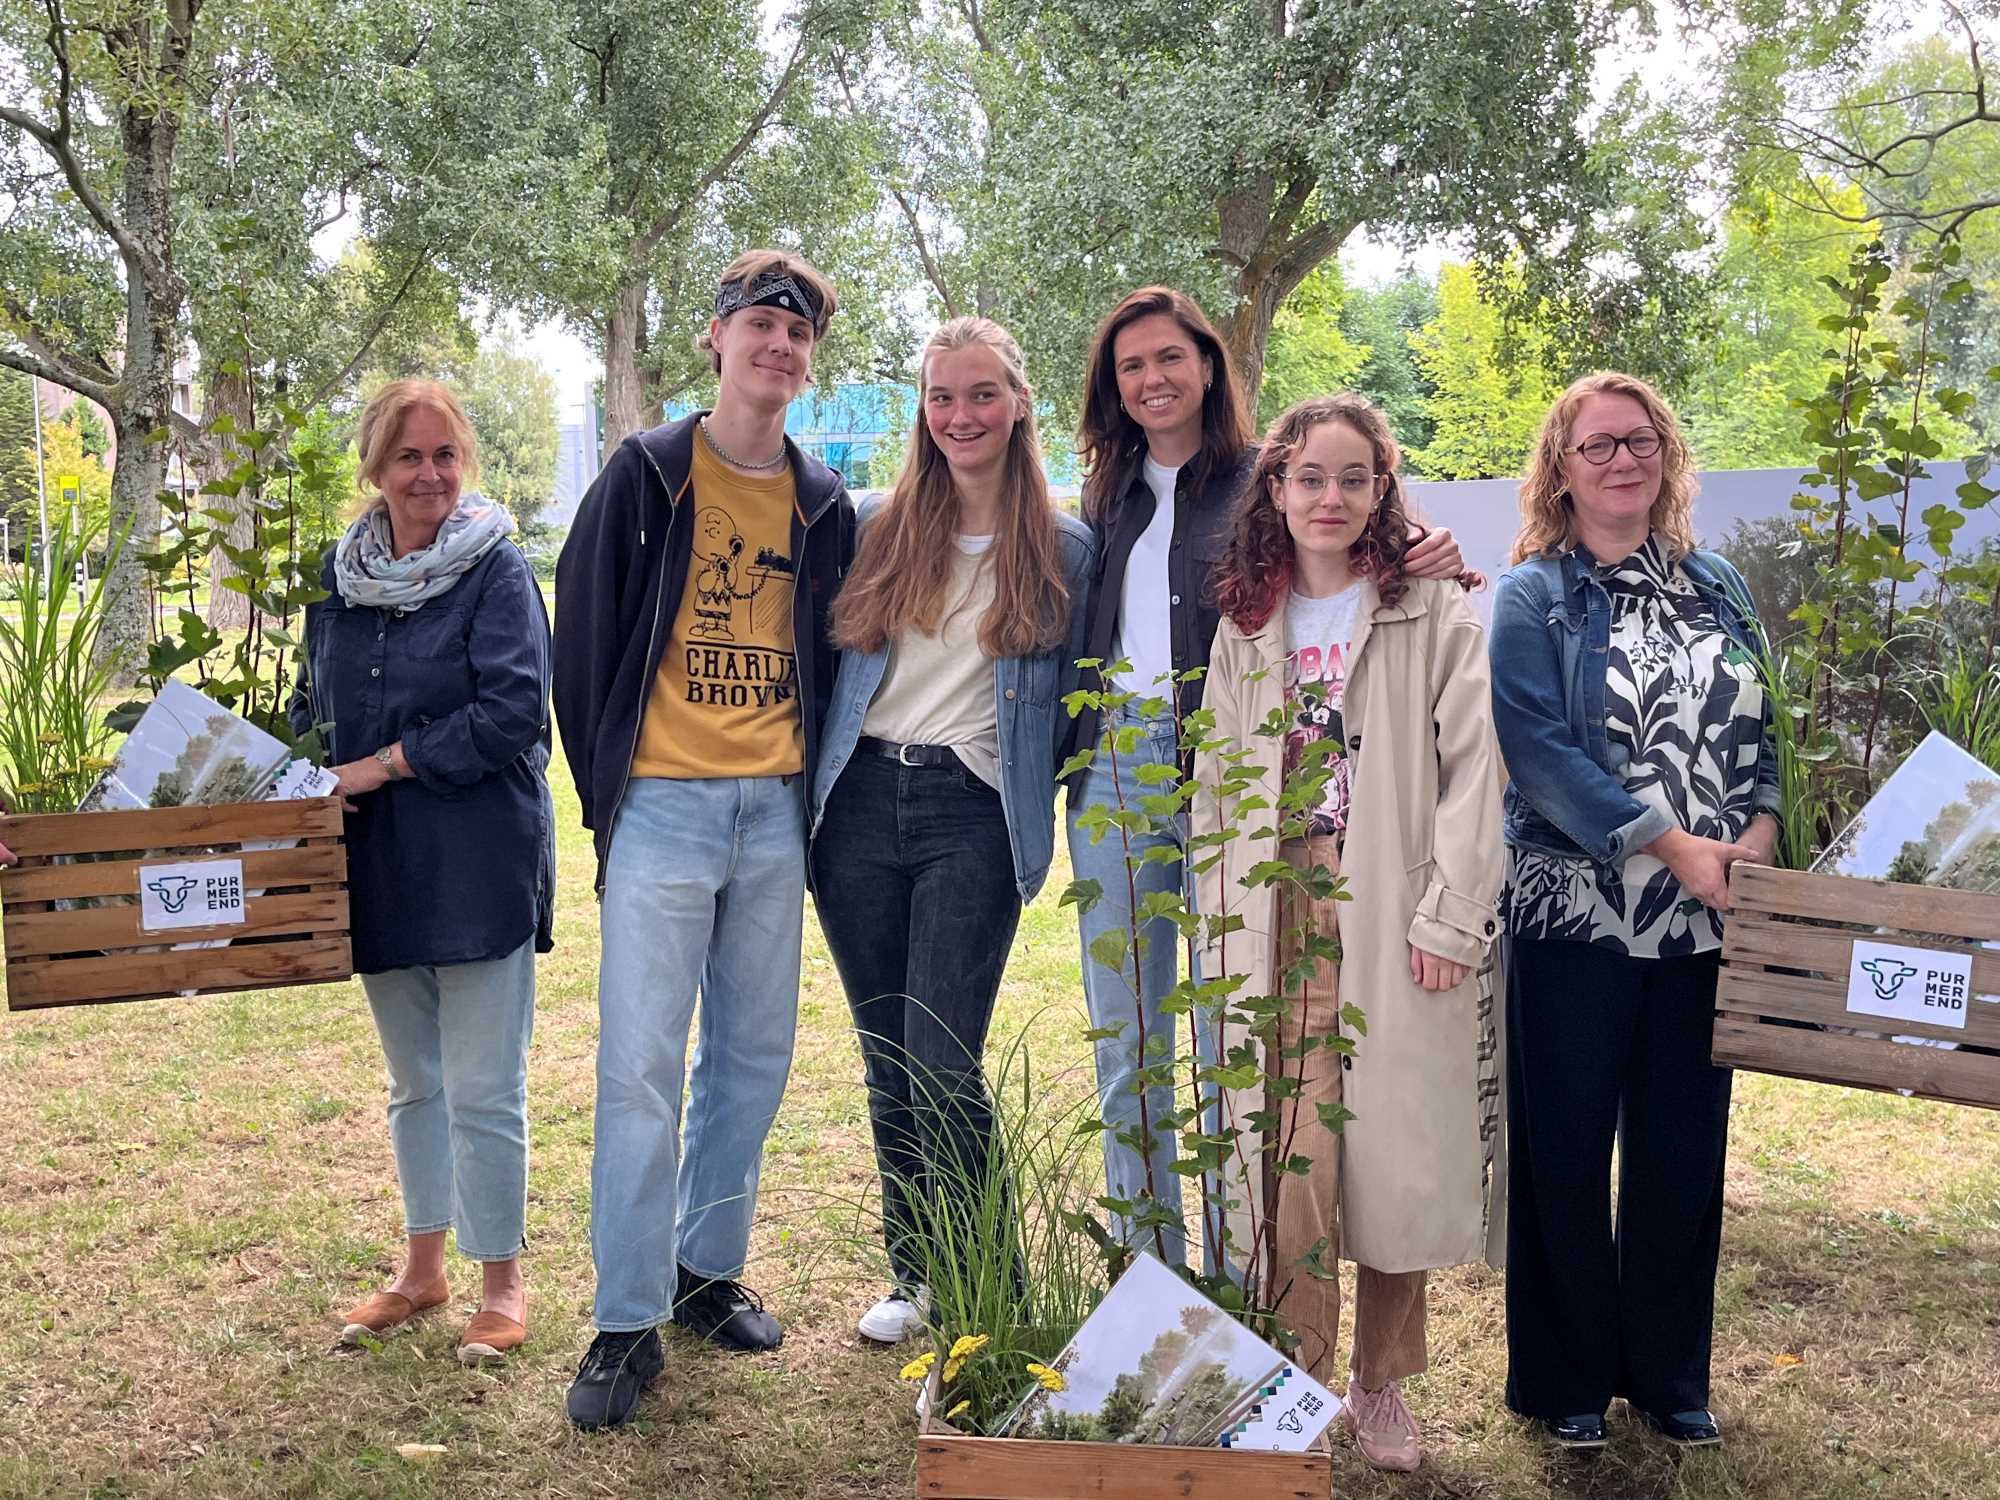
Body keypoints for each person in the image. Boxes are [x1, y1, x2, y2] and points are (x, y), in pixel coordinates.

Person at [1066, 287, 1465, 1267]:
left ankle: (1237, 1272)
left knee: (1229, 1032)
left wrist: (1429, 551)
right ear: (1112, 390)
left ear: (1207, 365)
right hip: (1120, 769)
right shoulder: (1104, 493)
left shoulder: (1270, 477)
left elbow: (1368, 540)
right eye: (1130, 366)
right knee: (1129, 1034)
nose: (1152, 379)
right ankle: (1142, 1265)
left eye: (1169, 357)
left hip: (1234, 775)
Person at [553, 250, 855, 1430]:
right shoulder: (645, 474)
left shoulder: (823, 500)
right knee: (637, 1069)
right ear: (718, 341)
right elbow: (581, 643)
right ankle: (624, 1318)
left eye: (797, 334)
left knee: (750, 1056)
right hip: (664, 808)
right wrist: (609, 801)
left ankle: (701, 1271)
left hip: (774, 811)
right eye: (759, 325)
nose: (777, 346)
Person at [1195, 393, 1501, 1472]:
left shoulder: (1431, 607)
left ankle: (1379, 1388)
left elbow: (1475, 773)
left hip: (1388, 900)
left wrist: (1453, 917)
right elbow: (1215, 788)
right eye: (1308, 477)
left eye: (1352, 478)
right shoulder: (1245, 622)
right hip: (1272, 909)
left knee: (1390, 1152)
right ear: (1274, 490)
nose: (1329, 498)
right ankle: (1293, 1378)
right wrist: (1219, 921)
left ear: (1381, 490)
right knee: (1290, 1149)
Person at [1491, 372, 1779, 1451]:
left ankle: (1667, 1375)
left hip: (1705, 925)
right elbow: (1535, 748)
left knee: (1681, 1149)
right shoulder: (1535, 595)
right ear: (1559, 473)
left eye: (1640, 439)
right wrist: (1670, 846)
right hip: (1573, 915)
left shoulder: (1719, 586)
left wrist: (1751, 835)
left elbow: (1767, 731)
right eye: (1596, 445)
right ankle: (1563, 1379)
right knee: (1561, 1151)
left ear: (1665, 453)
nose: (1623, 459)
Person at [810, 318, 1095, 1344]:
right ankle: (919, 1273)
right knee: (887, 1052)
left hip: (969, 811)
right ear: (921, 410)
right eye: (941, 397)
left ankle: (993, 1294)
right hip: (855, 808)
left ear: (1017, 403)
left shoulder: (1063, 548)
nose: (959, 415)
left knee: (940, 1055)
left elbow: (1084, 697)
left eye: (980, 394)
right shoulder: (872, 525)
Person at [289, 378, 554, 1366]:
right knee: (414, 1086)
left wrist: (381, 763)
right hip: (378, 861)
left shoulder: (496, 572)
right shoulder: (338, 574)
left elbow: (513, 713)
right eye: (409, 456)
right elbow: (311, 704)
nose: (430, 473)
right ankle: (420, 1271)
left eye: (445, 454)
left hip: (479, 858)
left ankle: (502, 1280)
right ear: (375, 466)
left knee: (485, 1086)